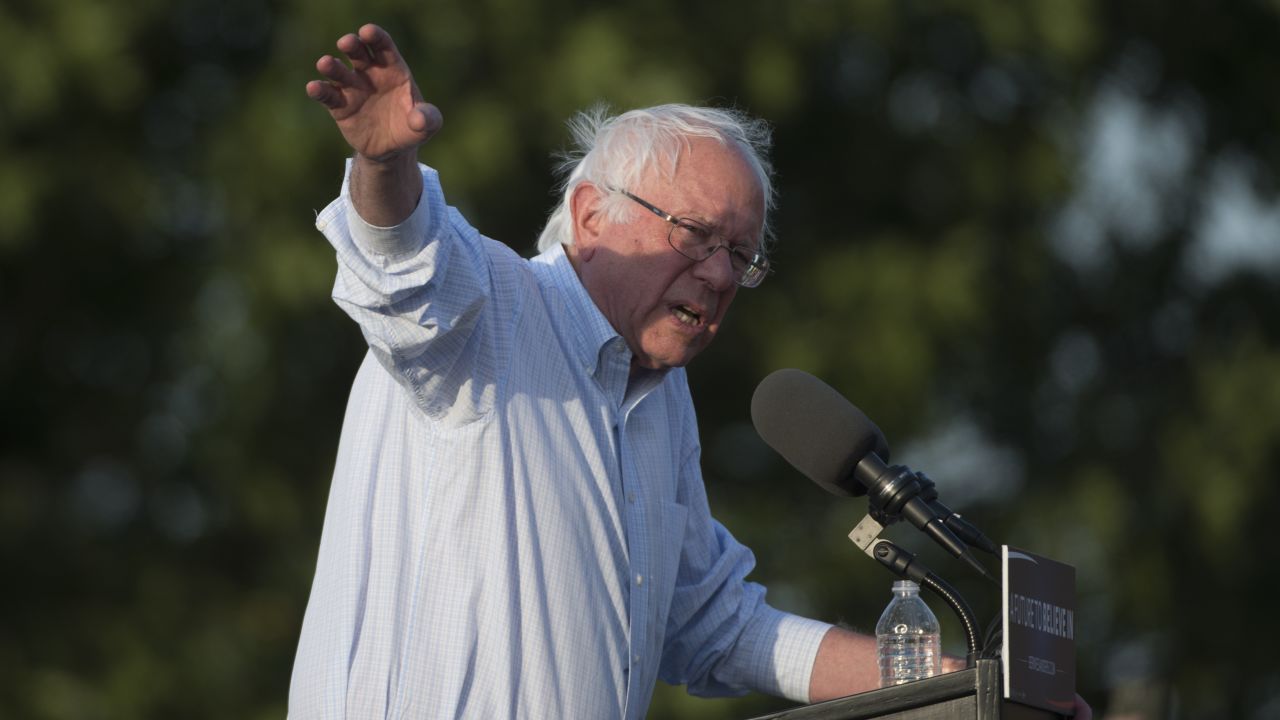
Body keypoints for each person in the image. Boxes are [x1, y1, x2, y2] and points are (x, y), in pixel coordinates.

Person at [292, 23, 1091, 720]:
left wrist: (959, 686)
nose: (716, 275)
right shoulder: (493, 311)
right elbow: (402, 271)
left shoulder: (659, 403)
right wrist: (384, 168)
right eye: (693, 234)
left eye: (740, 256)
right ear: (590, 215)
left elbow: (717, 625)